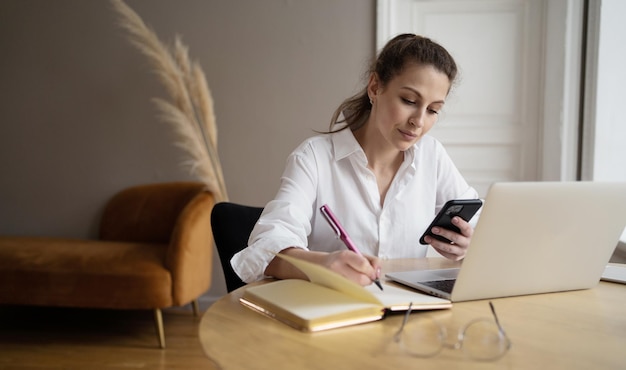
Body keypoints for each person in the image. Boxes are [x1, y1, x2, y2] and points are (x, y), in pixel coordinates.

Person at [231, 33, 479, 287]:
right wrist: (323, 265)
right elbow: (267, 248)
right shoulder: (314, 158)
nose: (419, 120)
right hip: (335, 314)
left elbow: (480, 223)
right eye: (409, 101)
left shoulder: (432, 155)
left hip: (410, 312)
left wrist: (467, 244)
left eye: (433, 110)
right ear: (375, 87)